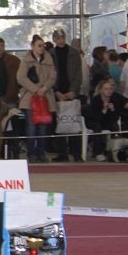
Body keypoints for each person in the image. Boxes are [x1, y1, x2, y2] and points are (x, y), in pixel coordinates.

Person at [16, 35, 57, 163]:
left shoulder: (49, 60)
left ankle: (41, 152)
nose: (42, 48)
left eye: (43, 46)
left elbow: (53, 77)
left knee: (43, 127)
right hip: (30, 99)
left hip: (45, 97)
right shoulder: (26, 61)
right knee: (31, 127)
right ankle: (31, 153)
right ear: (32, 46)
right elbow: (21, 78)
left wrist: (44, 88)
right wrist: (35, 89)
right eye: (39, 45)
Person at [85, 77, 128, 161]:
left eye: (111, 88)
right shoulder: (96, 100)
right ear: (101, 90)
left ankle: (114, 149)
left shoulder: (115, 98)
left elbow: (115, 118)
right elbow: (96, 118)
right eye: (106, 89)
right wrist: (104, 110)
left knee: (114, 125)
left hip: (107, 121)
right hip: (94, 121)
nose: (109, 91)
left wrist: (113, 110)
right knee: (97, 126)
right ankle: (98, 152)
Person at [49, 29, 83, 162]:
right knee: (59, 123)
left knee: (74, 122)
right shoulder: (50, 54)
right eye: (58, 38)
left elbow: (78, 75)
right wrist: (56, 90)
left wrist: (73, 90)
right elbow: (49, 75)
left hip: (71, 92)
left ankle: (76, 152)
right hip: (57, 93)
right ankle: (62, 153)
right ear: (54, 40)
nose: (61, 40)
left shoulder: (74, 53)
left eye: (62, 37)